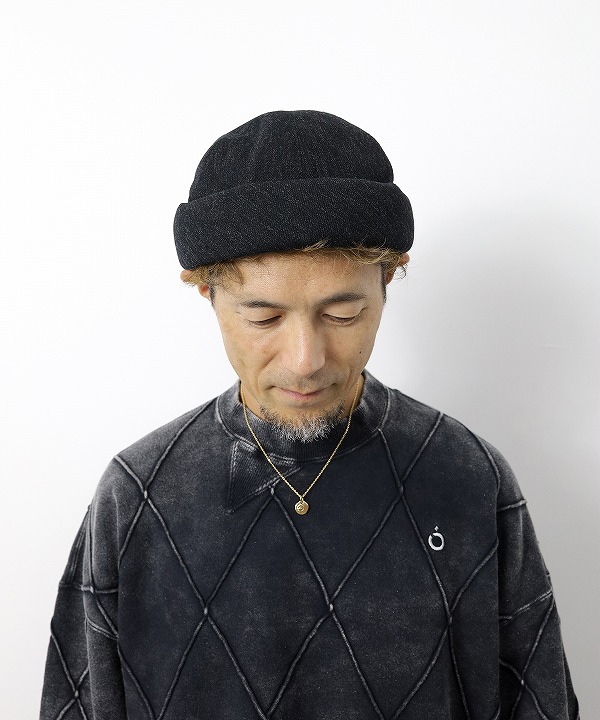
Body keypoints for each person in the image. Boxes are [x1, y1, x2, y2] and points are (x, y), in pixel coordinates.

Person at [40, 110, 579, 720]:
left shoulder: (467, 475)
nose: (305, 361)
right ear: (206, 292)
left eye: (343, 315)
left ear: (388, 282)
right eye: (264, 317)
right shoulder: (138, 494)